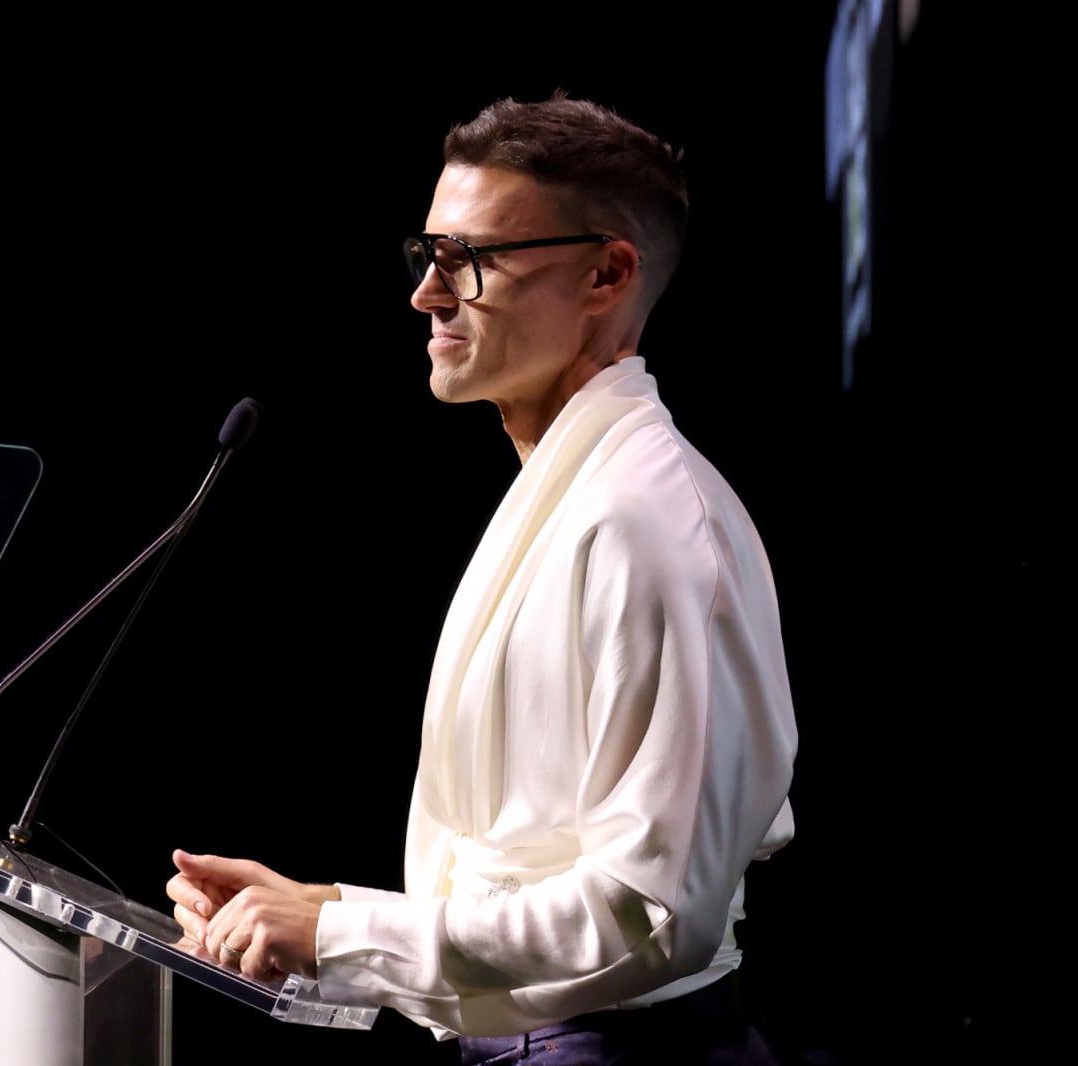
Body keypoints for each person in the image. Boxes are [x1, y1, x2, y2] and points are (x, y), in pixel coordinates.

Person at [166, 91, 797, 1065]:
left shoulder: (644, 520)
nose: (427, 294)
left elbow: (650, 915)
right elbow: (528, 861)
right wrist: (311, 909)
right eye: (426, 256)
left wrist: (341, 935)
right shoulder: (574, 491)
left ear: (605, 273)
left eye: (470, 260)